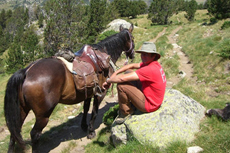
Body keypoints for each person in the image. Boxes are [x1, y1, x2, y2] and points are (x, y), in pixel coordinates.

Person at [102, 42, 166, 124]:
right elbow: (131, 66)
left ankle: (125, 112)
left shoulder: (149, 69)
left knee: (122, 86)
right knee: (129, 72)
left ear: (153, 56)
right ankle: (132, 101)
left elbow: (121, 79)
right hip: (153, 98)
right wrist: (115, 73)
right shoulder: (153, 64)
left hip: (149, 104)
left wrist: (108, 81)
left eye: (146, 54)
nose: (143, 56)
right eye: (142, 54)